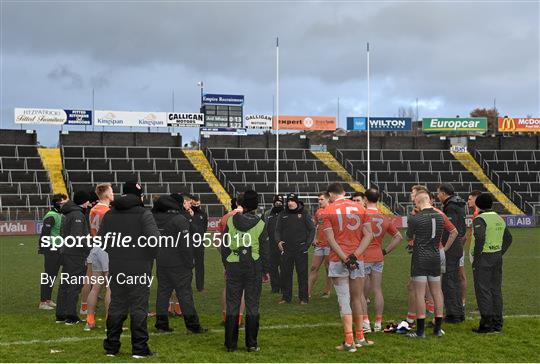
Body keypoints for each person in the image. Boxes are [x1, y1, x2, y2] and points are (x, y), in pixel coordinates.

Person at [100, 182, 160, 358]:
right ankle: (139, 349)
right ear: (139, 196)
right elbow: (153, 241)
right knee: (139, 306)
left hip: (117, 265)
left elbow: (102, 242)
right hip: (139, 266)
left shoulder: (110, 214)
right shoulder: (144, 213)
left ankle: (111, 347)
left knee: (117, 304)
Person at [322, 182, 374, 352]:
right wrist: (355, 255)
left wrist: (345, 258)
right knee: (357, 298)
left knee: (344, 299)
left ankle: (349, 341)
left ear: (330, 195)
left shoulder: (327, 211)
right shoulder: (361, 208)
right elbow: (369, 235)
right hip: (358, 259)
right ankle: (360, 337)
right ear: (344, 193)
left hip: (338, 260)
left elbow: (330, 239)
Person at [221, 190, 269, 352]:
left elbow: (225, 246)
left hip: (234, 264)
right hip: (253, 266)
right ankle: (251, 344)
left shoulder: (231, 221)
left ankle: (230, 345)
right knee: (252, 305)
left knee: (232, 304)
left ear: (241, 203)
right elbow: (264, 250)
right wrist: (265, 271)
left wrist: (227, 266)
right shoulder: (260, 224)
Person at [406, 189, 457, 338]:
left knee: (420, 293)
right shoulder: (441, 216)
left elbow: (409, 236)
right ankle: (437, 329)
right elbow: (451, 232)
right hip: (435, 256)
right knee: (437, 292)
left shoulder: (415, 218)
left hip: (420, 258)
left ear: (418, 202)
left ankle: (420, 331)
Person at [152, 194, 207, 334]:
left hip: (162, 261)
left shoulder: (156, 219)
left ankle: (161, 324)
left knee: (163, 294)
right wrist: (190, 262)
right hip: (179, 263)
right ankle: (192, 326)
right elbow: (185, 245)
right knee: (185, 294)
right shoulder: (179, 219)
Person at [471, 193, 512, 333]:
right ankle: (497, 323)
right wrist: (500, 252)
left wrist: (477, 257)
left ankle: (486, 324)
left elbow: (480, 238)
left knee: (483, 290)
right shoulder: (499, 218)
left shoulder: (480, 219)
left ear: (478, 205)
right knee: (495, 290)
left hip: (484, 258)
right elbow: (508, 238)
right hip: (496, 257)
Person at [362, 188, 402, 332]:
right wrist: (385, 251)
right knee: (377, 290)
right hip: (378, 256)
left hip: (364, 256)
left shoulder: (362, 215)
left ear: (365, 199)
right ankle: (378, 323)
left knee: (362, 292)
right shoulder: (384, 217)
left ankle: (365, 322)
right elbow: (398, 237)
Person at [55, 191, 91, 325]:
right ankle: (71, 316)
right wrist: (89, 248)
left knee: (65, 284)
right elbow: (77, 238)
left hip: (66, 253)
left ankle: (61, 314)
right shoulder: (77, 215)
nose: (89, 203)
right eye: (88, 201)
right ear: (84, 201)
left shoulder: (68, 213)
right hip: (75, 254)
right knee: (74, 285)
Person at [275, 193, 316, 304]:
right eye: (288, 201)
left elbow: (312, 229)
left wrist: (307, 244)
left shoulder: (304, 213)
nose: (290, 203)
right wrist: (278, 241)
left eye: (292, 200)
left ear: (296, 202)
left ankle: (303, 298)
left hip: (301, 249)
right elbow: (277, 230)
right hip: (287, 249)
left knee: (302, 275)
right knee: (286, 274)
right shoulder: (282, 214)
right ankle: (286, 297)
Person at [84, 183, 114, 331]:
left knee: (95, 287)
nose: (113, 193)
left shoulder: (93, 209)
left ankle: (89, 321)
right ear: (107, 194)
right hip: (106, 250)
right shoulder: (108, 211)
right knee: (110, 286)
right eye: (112, 191)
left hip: (95, 248)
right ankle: (110, 323)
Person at [437, 183, 467, 323]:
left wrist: (445, 247)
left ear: (443, 193)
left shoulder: (451, 207)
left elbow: (451, 229)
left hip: (452, 246)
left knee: (449, 281)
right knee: (453, 279)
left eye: (438, 193)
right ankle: (458, 312)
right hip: (458, 245)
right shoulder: (459, 204)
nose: (438, 196)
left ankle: (453, 314)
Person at [218, 196, 246, 325]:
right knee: (243, 288)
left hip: (228, 257)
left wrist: (225, 256)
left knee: (228, 286)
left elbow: (217, 241)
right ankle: (238, 319)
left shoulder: (225, 217)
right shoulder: (248, 217)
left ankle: (225, 317)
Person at [38, 193, 68, 310]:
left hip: (59, 249)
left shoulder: (60, 215)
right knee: (49, 275)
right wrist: (42, 248)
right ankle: (42, 302)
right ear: (58, 203)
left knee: (53, 275)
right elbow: (44, 234)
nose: (66, 205)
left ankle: (48, 300)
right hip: (51, 249)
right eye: (64, 203)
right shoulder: (51, 215)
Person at [307, 192, 333, 299]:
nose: (319, 201)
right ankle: (307, 292)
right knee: (313, 267)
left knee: (328, 269)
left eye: (322, 199)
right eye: (319, 199)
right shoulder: (318, 211)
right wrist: (314, 238)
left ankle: (327, 291)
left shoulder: (333, 211)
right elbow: (314, 226)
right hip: (319, 244)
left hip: (330, 245)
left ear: (328, 200)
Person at [264, 195, 284, 294]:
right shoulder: (267, 213)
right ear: (273, 203)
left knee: (284, 266)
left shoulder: (286, 213)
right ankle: (275, 288)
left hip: (283, 245)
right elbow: (263, 227)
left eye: (280, 203)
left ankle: (284, 286)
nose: (278, 204)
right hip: (271, 245)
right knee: (272, 267)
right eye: (277, 202)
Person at [191, 195, 208, 292]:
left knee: (200, 266)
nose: (196, 205)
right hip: (188, 243)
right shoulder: (187, 213)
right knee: (187, 265)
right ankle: (184, 286)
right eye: (194, 203)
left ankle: (200, 287)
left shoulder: (203, 214)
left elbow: (204, 228)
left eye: (198, 203)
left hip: (199, 243)